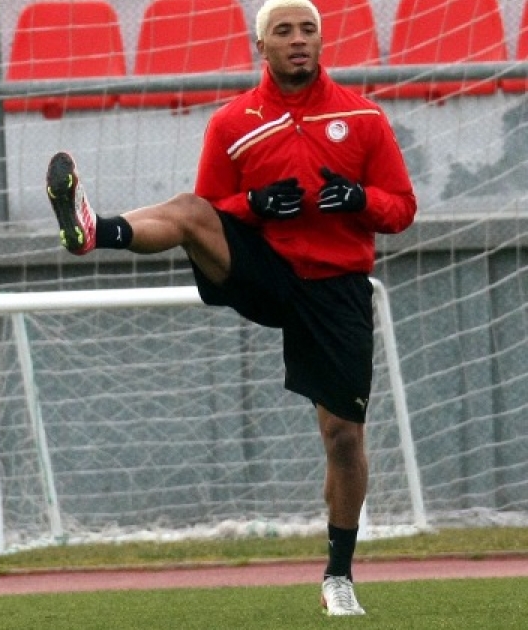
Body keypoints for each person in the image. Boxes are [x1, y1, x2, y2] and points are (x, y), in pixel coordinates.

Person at [45, 0, 415, 617]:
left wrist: (360, 200)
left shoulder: (363, 116)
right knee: (190, 211)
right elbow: (214, 207)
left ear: (321, 40)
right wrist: (256, 205)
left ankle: (338, 576)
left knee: (343, 438)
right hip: (265, 272)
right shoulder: (232, 122)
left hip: (336, 289)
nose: (298, 40)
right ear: (261, 46)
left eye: (308, 30)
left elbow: (402, 207)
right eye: (283, 31)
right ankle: (92, 231)